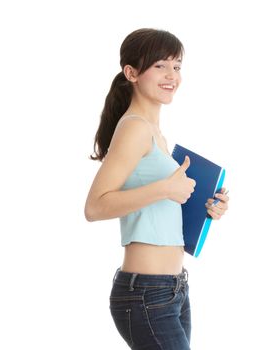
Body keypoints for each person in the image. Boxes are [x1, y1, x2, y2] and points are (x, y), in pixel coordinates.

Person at [84, 28, 229, 350]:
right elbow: (94, 207)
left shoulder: (156, 134)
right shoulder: (135, 127)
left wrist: (203, 207)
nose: (171, 75)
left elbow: (156, 207)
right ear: (131, 73)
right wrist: (165, 189)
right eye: (160, 65)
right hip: (146, 292)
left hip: (173, 287)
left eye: (177, 66)